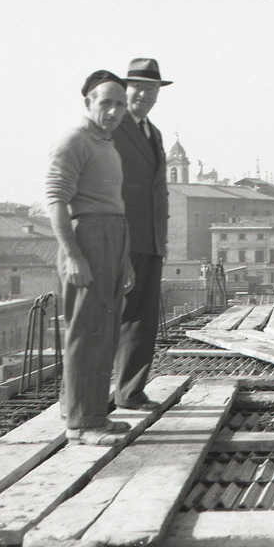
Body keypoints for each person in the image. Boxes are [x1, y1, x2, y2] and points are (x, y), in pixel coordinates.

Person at [46, 70, 135, 445]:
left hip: (113, 239)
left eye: (120, 104)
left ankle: (87, 411)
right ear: (88, 103)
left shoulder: (108, 144)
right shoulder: (74, 141)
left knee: (105, 330)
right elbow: (56, 201)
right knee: (87, 331)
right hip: (87, 239)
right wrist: (74, 256)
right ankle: (83, 426)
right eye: (106, 103)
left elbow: (115, 205)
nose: (114, 111)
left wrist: (125, 259)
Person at [110, 58, 172, 411]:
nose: (145, 94)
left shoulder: (154, 132)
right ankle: (80, 399)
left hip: (151, 238)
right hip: (120, 237)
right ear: (125, 89)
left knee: (141, 319)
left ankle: (130, 392)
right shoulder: (114, 129)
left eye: (152, 89)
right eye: (138, 87)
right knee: (106, 318)